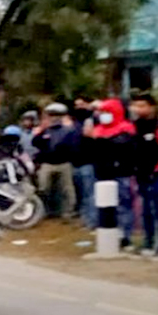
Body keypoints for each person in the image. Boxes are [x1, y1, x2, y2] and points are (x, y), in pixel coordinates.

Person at [130, 93, 158, 258]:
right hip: (141, 174)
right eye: (136, 106)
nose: (139, 109)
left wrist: (157, 170)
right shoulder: (135, 126)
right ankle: (148, 242)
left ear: (152, 107)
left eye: (142, 106)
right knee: (146, 210)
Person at [93, 99, 136, 249]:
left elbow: (123, 147)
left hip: (121, 172)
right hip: (102, 174)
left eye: (107, 112)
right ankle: (109, 234)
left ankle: (126, 236)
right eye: (102, 112)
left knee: (123, 205)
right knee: (105, 206)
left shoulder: (126, 129)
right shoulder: (97, 130)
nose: (104, 115)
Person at [33, 103, 78, 218]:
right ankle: (45, 211)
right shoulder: (46, 131)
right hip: (48, 163)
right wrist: (41, 131)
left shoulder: (68, 130)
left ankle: (68, 211)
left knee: (67, 189)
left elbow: (73, 145)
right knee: (43, 188)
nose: (54, 118)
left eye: (57, 115)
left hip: (64, 163)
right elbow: (36, 143)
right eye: (52, 115)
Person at [71, 98, 97, 229]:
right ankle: (85, 219)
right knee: (81, 195)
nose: (79, 107)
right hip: (76, 163)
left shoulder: (93, 120)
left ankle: (92, 221)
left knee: (90, 194)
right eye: (77, 105)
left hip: (88, 163)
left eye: (82, 105)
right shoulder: (75, 123)